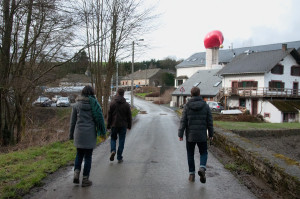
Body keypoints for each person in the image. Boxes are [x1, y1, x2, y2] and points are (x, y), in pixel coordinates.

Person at [69, 85, 106, 187]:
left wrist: (71, 135)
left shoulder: (76, 105)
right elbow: (99, 119)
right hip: (90, 134)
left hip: (79, 134)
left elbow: (72, 123)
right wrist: (102, 132)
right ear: (92, 93)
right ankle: (85, 180)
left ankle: (76, 174)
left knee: (79, 154)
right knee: (88, 157)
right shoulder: (95, 105)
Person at [178, 87, 214, 183]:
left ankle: (191, 175)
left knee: (190, 154)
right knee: (203, 152)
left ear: (191, 94)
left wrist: (180, 134)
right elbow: (209, 121)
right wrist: (211, 134)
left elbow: (183, 121)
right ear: (199, 94)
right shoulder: (205, 106)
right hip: (202, 135)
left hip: (190, 135)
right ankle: (202, 167)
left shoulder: (187, 106)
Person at [107, 88, 132, 163]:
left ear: (117, 93)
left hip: (114, 124)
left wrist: (108, 126)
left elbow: (109, 116)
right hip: (123, 125)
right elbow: (129, 116)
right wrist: (129, 126)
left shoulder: (112, 103)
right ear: (123, 94)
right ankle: (119, 157)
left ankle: (113, 150)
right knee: (121, 141)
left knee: (113, 138)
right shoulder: (126, 104)